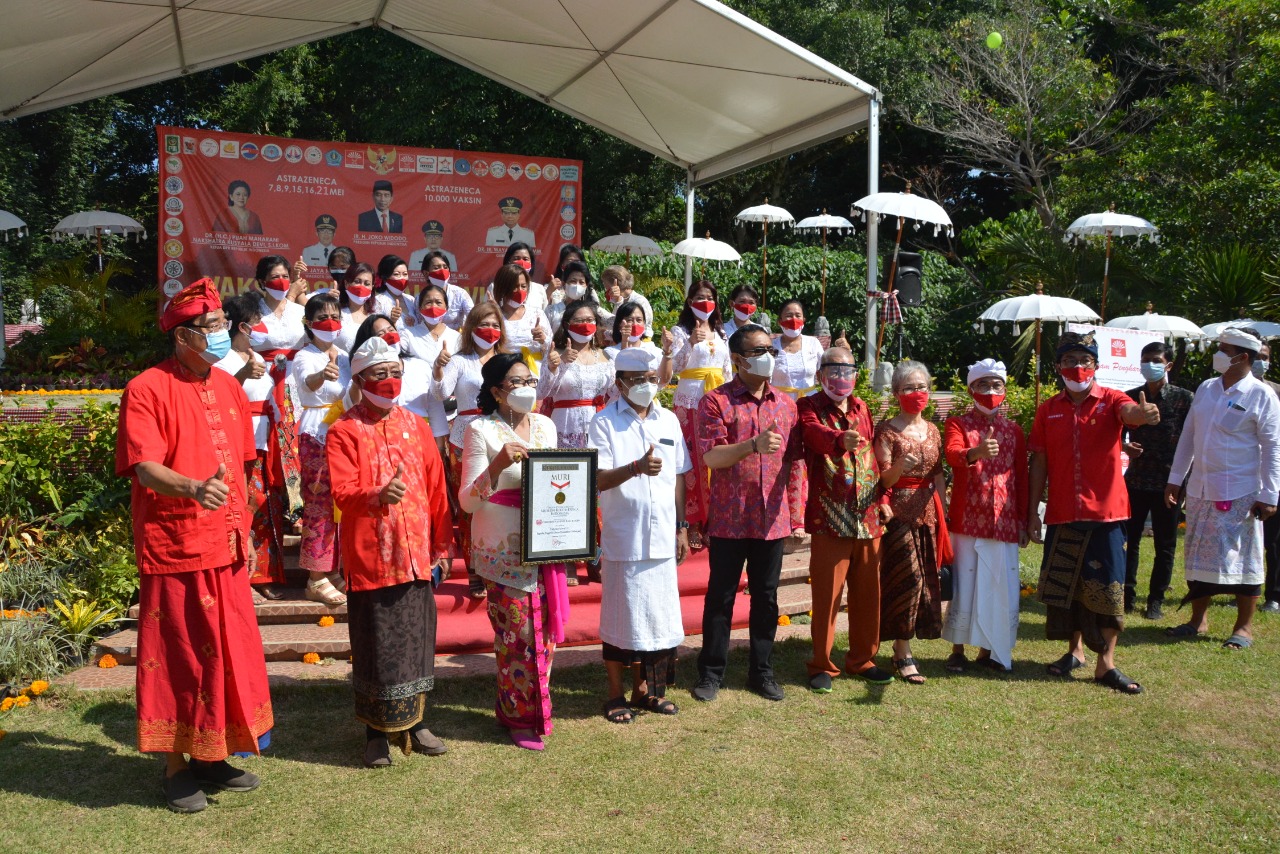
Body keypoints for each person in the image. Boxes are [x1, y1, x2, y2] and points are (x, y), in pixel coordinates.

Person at [116, 278, 272, 813]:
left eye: (222, 325)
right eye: (209, 328)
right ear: (183, 336)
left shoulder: (229, 386)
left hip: (226, 544)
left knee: (227, 655)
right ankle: (176, 765)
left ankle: (213, 755)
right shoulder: (145, 388)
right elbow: (144, 467)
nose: (221, 335)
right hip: (176, 543)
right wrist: (191, 487)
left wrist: (246, 528)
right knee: (179, 656)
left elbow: (244, 469)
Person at [327, 336, 453, 767]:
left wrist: (441, 544)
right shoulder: (344, 431)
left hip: (417, 555)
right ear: (360, 380)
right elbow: (342, 493)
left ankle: (417, 722)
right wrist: (378, 494)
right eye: (379, 375)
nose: (390, 381)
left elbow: (437, 489)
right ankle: (375, 733)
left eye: (396, 373)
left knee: (417, 641)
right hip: (372, 558)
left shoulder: (418, 426)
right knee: (376, 645)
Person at [1028, 331, 1160, 695]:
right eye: (1070, 361)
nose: (1078, 367)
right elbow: (1038, 461)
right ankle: (1075, 653)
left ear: (1096, 366)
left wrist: (1143, 414)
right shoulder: (1048, 409)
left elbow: (1130, 412)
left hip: (1106, 513)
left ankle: (1107, 664)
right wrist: (1031, 512)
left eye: (1085, 361)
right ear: (1058, 368)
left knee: (1109, 588)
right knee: (1066, 588)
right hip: (1062, 512)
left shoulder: (1112, 399)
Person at [692, 324, 800, 703]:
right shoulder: (715, 402)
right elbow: (710, 456)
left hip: (772, 518)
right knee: (720, 596)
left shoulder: (787, 404)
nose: (767, 355)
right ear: (737, 359)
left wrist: (796, 512)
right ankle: (710, 672)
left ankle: (762, 671)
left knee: (766, 597)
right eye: (757, 351)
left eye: (769, 348)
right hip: (729, 517)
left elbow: (795, 463)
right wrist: (751, 444)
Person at [459, 353, 562, 750]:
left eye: (530, 381)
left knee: (547, 634)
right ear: (498, 391)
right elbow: (467, 501)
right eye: (516, 383)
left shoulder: (546, 426)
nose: (526, 389)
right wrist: (498, 465)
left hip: (544, 545)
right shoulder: (479, 430)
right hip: (501, 550)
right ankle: (519, 715)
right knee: (516, 636)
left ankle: (538, 707)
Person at [590, 348, 691, 722]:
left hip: (663, 533)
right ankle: (616, 694)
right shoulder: (604, 422)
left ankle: (645, 691)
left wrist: (682, 527)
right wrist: (634, 468)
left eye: (652, 378)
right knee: (621, 616)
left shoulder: (669, 421)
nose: (647, 386)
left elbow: (679, 476)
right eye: (638, 380)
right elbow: (597, 479)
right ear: (620, 383)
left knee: (656, 616)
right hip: (625, 534)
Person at [1164, 328, 1280, 649]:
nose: (1217, 353)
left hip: (1241, 493)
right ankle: (1197, 621)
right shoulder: (1206, 388)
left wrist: (1270, 495)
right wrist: (1176, 478)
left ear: (1242, 357)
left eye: (1223, 349)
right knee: (1198, 556)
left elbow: (1273, 448)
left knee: (1244, 560)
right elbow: (1189, 435)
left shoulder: (1261, 395)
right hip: (1201, 489)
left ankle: (1243, 628)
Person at [797, 347, 894, 691]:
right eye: (834, 370)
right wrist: (839, 439)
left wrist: (883, 497)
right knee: (828, 595)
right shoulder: (809, 407)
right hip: (830, 516)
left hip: (868, 516)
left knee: (868, 593)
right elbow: (811, 435)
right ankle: (821, 664)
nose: (842, 377)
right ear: (821, 374)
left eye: (848, 370)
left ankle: (862, 658)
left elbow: (873, 459)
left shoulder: (862, 407)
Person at [941, 359, 1028, 673]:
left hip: (1003, 521)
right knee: (966, 584)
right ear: (970, 389)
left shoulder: (1014, 431)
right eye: (983, 385)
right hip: (968, 518)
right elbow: (952, 454)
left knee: (997, 585)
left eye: (996, 386)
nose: (990, 391)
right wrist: (975, 453)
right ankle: (957, 649)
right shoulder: (958, 424)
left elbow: (1021, 475)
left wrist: (1023, 521)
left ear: (1005, 390)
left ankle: (990, 649)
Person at [873, 360, 949, 685]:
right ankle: (902, 652)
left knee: (929, 581)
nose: (916, 393)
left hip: (929, 512)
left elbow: (938, 473)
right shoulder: (886, 430)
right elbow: (882, 479)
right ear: (896, 393)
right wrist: (901, 466)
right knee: (909, 580)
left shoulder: (933, 429)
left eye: (922, 387)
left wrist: (944, 507)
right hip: (898, 514)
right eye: (909, 388)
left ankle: (904, 647)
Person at [214, 293, 287, 602]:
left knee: (268, 509)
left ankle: (265, 575)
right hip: (237, 442)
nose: (261, 326)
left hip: (265, 440)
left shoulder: (259, 358)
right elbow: (219, 398)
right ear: (242, 326)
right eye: (257, 321)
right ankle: (240, 575)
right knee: (244, 505)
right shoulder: (222, 360)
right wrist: (242, 376)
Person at [434, 302, 507, 599]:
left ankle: (498, 563)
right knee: (470, 504)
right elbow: (441, 393)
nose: (489, 330)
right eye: (483, 324)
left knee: (499, 501)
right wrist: (439, 368)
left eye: (495, 324)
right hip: (464, 436)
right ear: (470, 328)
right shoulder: (460, 360)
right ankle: (475, 568)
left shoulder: (506, 359)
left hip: (499, 435)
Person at [541, 299, 615, 586]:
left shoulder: (606, 357)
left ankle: (596, 558)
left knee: (597, 494)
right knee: (568, 494)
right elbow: (544, 391)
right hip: (565, 426)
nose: (585, 324)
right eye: (579, 320)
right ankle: (568, 559)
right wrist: (555, 367)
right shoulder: (557, 355)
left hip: (596, 426)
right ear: (567, 325)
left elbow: (614, 395)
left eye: (590, 319)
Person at [1121, 341, 1194, 620]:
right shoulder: (1130, 397)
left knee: (1165, 543)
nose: (1148, 365)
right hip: (1136, 481)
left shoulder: (1184, 398)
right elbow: (1115, 434)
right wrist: (1125, 448)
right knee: (1129, 540)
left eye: (1154, 360)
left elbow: (1193, 443)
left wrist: (1183, 481)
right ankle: (1127, 594)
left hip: (1169, 484)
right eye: (1144, 359)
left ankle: (1156, 600)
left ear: (1168, 365)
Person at [660, 281, 732, 550]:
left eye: (709, 297)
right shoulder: (681, 331)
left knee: (713, 460)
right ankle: (690, 521)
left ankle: (713, 520)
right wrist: (689, 343)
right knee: (690, 462)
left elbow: (727, 370)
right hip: (689, 402)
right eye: (699, 298)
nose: (705, 302)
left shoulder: (721, 332)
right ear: (690, 302)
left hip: (716, 401)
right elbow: (674, 367)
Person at [289, 292, 350, 606]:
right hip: (317, 430)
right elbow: (306, 383)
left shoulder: (345, 353)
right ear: (308, 323)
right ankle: (315, 577)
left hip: (344, 431)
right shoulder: (305, 355)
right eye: (322, 317)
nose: (330, 323)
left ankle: (333, 567)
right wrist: (321, 375)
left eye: (335, 316)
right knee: (319, 501)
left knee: (342, 501)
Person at [771, 298, 824, 548]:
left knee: (807, 460)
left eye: (798, 314)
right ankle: (783, 515)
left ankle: (804, 516)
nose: (794, 319)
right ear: (779, 319)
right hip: (779, 409)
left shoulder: (814, 344)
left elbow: (825, 372)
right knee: (784, 461)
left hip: (809, 407)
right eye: (788, 314)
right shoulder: (771, 345)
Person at [402, 282, 462, 456]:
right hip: (418, 409)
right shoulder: (408, 335)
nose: (433, 306)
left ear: (446, 307)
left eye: (438, 302)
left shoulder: (457, 338)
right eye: (428, 302)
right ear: (419, 307)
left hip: (452, 411)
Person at [1254, 342, 1280, 613]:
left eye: (1265, 357)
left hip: (1272, 474)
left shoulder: (1277, 393)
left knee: (1273, 540)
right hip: (1241, 474)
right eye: (1257, 357)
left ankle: (1274, 594)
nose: (1261, 361)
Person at [493, 261, 552, 379]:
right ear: (502, 287)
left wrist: (543, 339)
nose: (520, 290)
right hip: (506, 374)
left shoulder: (537, 314)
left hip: (536, 374)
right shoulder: (494, 316)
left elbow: (550, 347)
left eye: (523, 286)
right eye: (514, 286)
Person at [545, 260, 610, 333]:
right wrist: (548, 292)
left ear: (586, 286)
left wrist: (618, 301)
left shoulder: (593, 310)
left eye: (581, 282)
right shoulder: (553, 311)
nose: (577, 285)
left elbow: (615, 322)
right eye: (573, 281)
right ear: (564, 284)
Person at [419, 250, 474, 330]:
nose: (442, 271)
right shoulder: (420, 298)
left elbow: (473, 316)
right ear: (426, 273)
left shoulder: (460, 294)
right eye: (436, 268)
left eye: (445, 267)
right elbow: (417, 323)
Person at [601, 266, 653, 339]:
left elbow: (635, 328)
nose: (604, 288)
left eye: (605, 284)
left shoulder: (639, 301)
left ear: (615, 284)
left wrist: (606, 333)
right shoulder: (621, 299)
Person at [604, 301, 662, 366]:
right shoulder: (610, 353)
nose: (635, 324)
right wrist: (625, 342)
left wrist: (667, 352)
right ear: (619, 324)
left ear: (644, 323)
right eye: (629, 320)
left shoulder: (653, 350)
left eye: (639, 320)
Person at [374, 255, 413, 328]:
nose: (402, 278)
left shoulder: (411, 300)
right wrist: (391, 320)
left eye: (405, 274)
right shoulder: (378, 301)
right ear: (385, 278)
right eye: (396, 274)